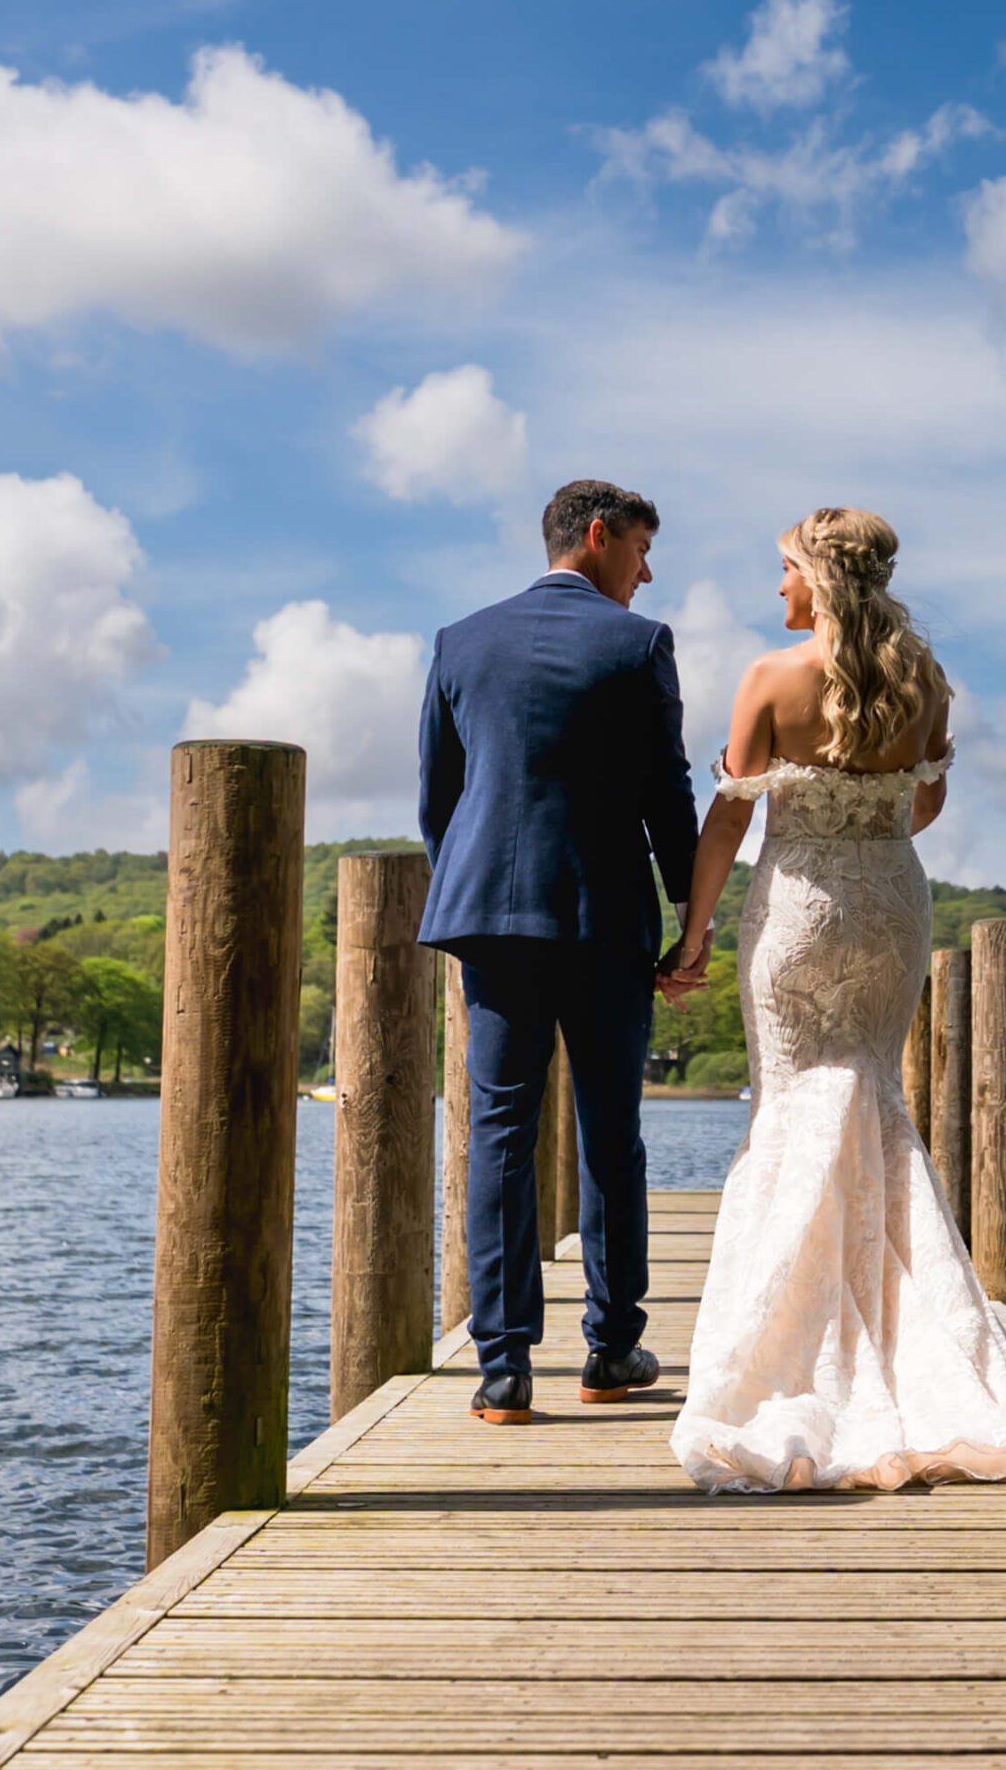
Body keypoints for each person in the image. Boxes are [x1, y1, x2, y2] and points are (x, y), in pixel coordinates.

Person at [663, 505, 1006, 1492]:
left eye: (785, 569)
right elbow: (923, 808)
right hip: (888, 903)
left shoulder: (769, 679)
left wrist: (694, 931)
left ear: (817, 575)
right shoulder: (924, 681)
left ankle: (788, 1356)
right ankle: (914, 1344)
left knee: (794, 1107)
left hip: (799, 903)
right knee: (874, 1103)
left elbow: (725, 823)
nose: (778, 588)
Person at [419, 479, 699, 1423]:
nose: (647, 573)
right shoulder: (639, 643)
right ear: (597, 536)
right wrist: (689, 923)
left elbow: (440, 797)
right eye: (641, 551)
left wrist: (473, 892)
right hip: (603, 920)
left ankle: (502, 1369)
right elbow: (667, 795)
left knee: (499, 1131)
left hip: (491, 920)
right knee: (610, 1133)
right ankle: (609, 1350)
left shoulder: (461, 639)